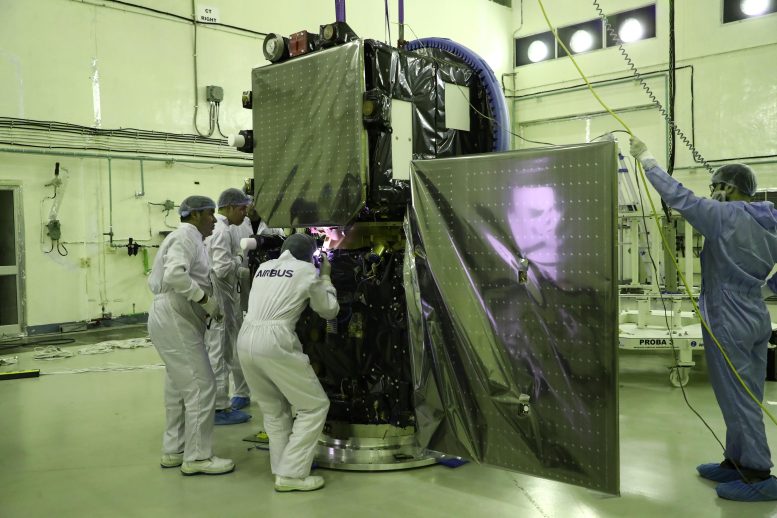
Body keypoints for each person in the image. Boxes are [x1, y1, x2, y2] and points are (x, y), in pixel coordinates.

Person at [630, 136, 777, 502]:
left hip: (728, 315)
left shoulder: (722, 215)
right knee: (747, 393)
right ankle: (736, 461)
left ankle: (758, 472)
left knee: (736, 397)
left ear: (728, 189)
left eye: (715, 187)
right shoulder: (772, 217)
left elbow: (680, 197)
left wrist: (646, 159)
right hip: (757, 315)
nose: (711, 193)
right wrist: (767, 290)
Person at [236, 233, 339, 492]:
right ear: (310, 254)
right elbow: (328, 310)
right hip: (275, 341)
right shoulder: (307, 271)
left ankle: (282, 468)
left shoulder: (263, 267)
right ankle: (292, 474)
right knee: (314, 406)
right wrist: (325, 275)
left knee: (273, 410)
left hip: (246, 337)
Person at [147, 195, 234, 476]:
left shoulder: (192, 239)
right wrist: (205, 300)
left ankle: (175, 449)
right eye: (210, 214)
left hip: (171, 314)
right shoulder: (187, 236)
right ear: (195, 215)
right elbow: (175, 275)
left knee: (177, 386)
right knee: (201, 385)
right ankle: (197, 457)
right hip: (176, 314)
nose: (214, 220)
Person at [203, 188, 255, 424]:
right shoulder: (222, 231)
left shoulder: (235, 226)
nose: (246, 212)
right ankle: (219, 407)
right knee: (220, 350)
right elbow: (223, 268)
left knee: (233, 344)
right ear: (231, 207)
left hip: (230, 294)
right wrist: (240, 264)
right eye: (242, 208)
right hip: (222, 294)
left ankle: (237, 394)